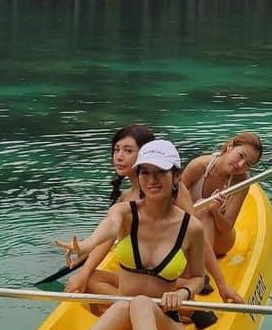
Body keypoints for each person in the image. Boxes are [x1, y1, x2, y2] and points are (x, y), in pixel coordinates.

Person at [33, 139, 206, 330]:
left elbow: (199, 277)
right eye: (144, 172)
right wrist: (88, 245)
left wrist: (183, 293)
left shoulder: (191, 228)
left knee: (138, 302)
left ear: (176, 176)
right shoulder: (125, 213)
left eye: (159, 172)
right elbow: (110, 226)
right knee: (127, 303)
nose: (151, 180)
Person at [67, 124, 242, 306]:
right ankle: (137, 306)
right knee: (89, 279)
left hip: (172, 273)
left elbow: (196, 234)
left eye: (127, 151)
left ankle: (181, 309)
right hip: (143, 274)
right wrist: (86, 253)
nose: (119, 156)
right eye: (116, 150)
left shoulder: (172, 189)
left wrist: (222, 285)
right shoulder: (125, 199)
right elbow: (107, 235)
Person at [182, 131, 263, 259]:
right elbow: (171, 200)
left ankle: (201, 270)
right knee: (201, 208)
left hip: (221, 240)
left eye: (248, 164)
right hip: (190, 228)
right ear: (230, 146)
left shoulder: (242, 182)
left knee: (206, 210)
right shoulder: (198, 166)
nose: (240, 165)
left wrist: (215, 211)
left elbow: (227, 227)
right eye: (241, 155)